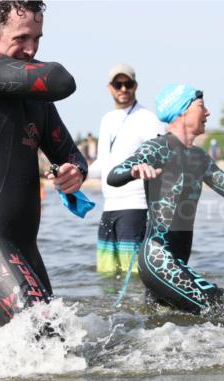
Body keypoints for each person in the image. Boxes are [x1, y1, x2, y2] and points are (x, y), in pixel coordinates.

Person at [0, 0, 87, 327]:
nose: (31, 49)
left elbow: (70, 154)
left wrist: (74, 171)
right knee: (44, 336)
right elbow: (61, 80)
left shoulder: (33, 96)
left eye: (37, 38)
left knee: (56, 342)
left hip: (24, 248)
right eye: (21, 38)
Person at [106, 84, 224, 313]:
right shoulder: (157, 147)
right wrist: (134, 171)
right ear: (182, 112)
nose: (208, 112)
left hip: (177, 262)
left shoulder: (199, 157)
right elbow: (114, 175)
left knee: (162, 322)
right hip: (158, 259)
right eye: (201, 106)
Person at [86, 63, 164, 275]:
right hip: (109, 208)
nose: (123, 89)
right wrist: (78, 172)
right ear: (109, 88)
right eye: (117, 84)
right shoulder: (107, 120)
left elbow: (163, 162)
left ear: (135, 86)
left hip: (136, 208)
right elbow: (103, 164)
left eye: (127, 84)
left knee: (135, 275)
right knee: (106, 275)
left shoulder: (148, 119)